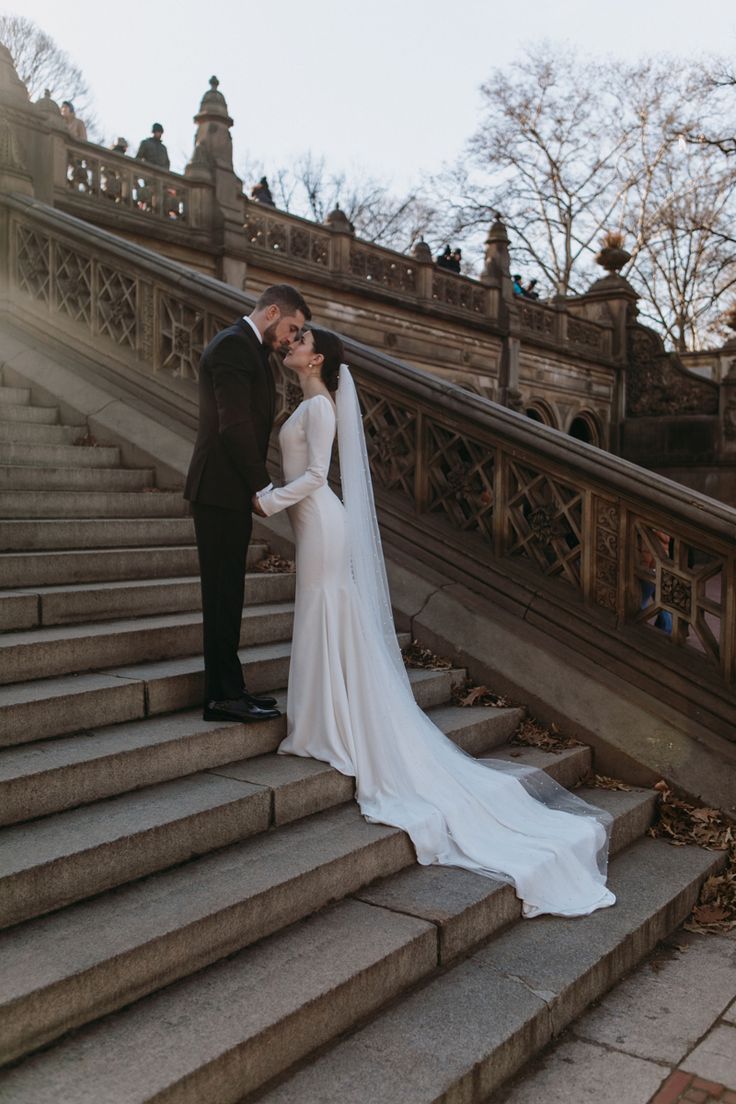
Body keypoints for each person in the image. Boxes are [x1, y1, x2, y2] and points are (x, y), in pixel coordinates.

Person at [252, 328, 616, 919]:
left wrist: (267, 500)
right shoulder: (306, 400)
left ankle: (325, 726)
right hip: (313, 523)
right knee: (322, 612)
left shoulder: (318, 405)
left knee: (324, 609)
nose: (291, 342)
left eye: (301, 340)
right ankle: (322, 720)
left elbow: (318, 475)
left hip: (320, 520)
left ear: (317, 358)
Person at [184, 284, 311, 724]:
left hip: (228, 491)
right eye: (291, 327)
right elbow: (233, 424)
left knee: (229, 593)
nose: (292, 339)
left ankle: (231, 689)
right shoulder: (233, 348)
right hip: (219, 490)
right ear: (272, 311)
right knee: (221, 595)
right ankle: (221, 697)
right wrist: (262, 487)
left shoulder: (252, 350)